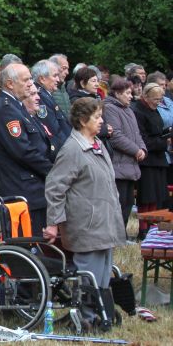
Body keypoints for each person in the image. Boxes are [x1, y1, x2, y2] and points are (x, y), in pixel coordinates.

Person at [44, 98, 124, 329]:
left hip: (104, 221)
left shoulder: (97, 143)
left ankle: (101, 313)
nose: (101, 121)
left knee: (103, 273)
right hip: (86, 224)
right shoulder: (72, 149)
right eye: (96, 117)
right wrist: (54, 223)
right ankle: (85, 317)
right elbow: (55, 187)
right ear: (82, 120)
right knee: (89, 272)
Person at [0, 64, 53, 235]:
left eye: (31, 78)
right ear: (10, 84)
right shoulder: (6, 110)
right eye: (26, 80)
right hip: (23, 188)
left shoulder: (17, 106)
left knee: (38, 241)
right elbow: (23, 151)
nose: (31, 83)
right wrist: (53, 171)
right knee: (27, 242)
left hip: (34, 188)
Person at [102, 78, 145, 238]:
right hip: (118, 165)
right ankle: (115, 237)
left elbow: (137, 134)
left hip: (130, 165)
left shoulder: (128, 110)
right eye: (127, 93)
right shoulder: (110, 109)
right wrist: (135, 150)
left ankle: (122, 236)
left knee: (128, 204)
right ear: (118, 93)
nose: (131, 96)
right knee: (118, 204)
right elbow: (116, 136)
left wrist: (142, 149)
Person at [131, 83, 170, 239]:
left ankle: (153, 228)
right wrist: (165, 142)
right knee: (146, 197)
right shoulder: (138, 111)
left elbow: (157, 131)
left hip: (158, 159)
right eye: (155, 99)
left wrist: (167, 133)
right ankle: (143, 230)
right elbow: (144, 139)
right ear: (145, 97)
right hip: (147, 161)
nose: (158, 103)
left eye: (160, 99)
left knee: (157, 197)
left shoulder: (154, 110)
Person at [32, 59, 72, 150]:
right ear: (42, 79)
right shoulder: (40, 97)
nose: (58, 79)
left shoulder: (46, 94)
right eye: (55, 76)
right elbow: (53, 129)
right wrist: (69, 148)